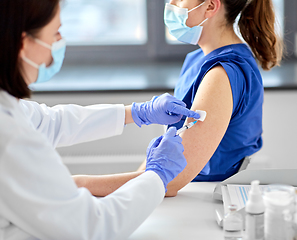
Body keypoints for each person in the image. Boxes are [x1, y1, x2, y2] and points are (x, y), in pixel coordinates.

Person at [0, 0, 200, 239]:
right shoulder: (9, 139)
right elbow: (94, 227)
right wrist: (157, 175)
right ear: (24, 44)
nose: (59, 42)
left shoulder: (9, 110)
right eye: (55, 33)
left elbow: (50, 123)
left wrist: (136, 112)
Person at [74, 0, 283, 197]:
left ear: (210, 6)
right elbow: (160, 166)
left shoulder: (221, 74)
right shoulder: (198, 58)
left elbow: (170, 180)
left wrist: (79, 185)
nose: (170, 5)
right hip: (185, 190)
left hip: (200, 196)